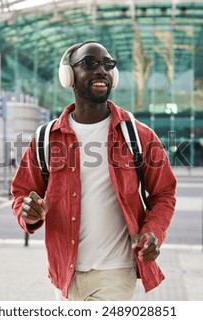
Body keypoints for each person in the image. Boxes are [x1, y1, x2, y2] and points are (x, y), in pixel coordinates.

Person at [11, 41, 176, 301]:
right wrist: (28, 214)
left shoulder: (139, 135)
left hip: (115, 272)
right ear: (69, 76)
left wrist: (152, 232)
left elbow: (164, 193)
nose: (102, 70)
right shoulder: (45, 139)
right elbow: (21, 192)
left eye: (107, 65)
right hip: (63, 273)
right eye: (90, 63)